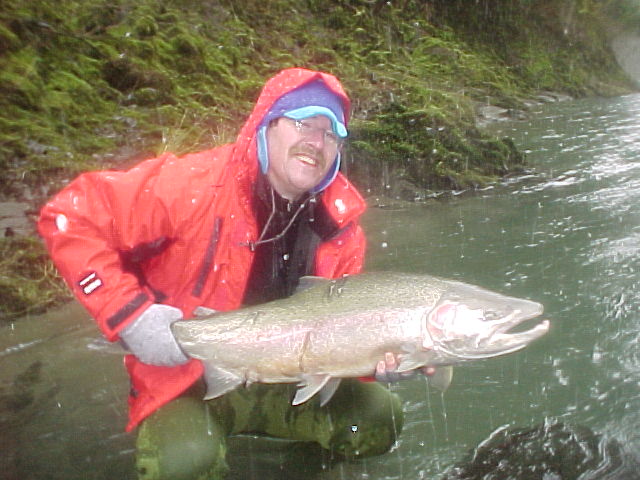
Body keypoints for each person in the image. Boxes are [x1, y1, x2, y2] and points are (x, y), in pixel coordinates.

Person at [38, 67, 417, 479]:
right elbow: (69, 216)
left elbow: (336, 340)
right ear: (266, 125)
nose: (316, 141)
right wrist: (129, 315)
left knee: (381, 417)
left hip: (288, 382)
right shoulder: (190, 186)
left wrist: (379, 359)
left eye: (330, 134)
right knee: (184, 464)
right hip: (187, 378)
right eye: (304, 123)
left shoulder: (341, 230)